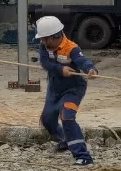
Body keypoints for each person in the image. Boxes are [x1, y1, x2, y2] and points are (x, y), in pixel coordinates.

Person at [36, 16, 98, 166]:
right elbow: (45, 63)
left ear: (54, 36)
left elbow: (82, 61)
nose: (42, 42)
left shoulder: (71, 48)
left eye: (45, 39)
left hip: (74, 88)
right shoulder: (44, 47)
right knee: (47, 119)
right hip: (55, 88)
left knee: (67, 117)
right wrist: (60, 69)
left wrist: (91, 69)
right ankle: (65, 139)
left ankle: (83, 156)